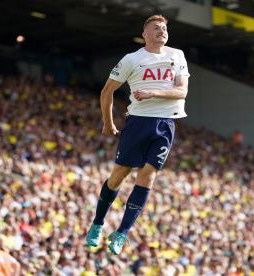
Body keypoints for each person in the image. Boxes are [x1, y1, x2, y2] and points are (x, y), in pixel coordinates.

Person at [85, 14, 190, 255]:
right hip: (139, 123)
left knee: (148, 176)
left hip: (166, 124)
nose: (162, 31)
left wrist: (154, 92)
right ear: (144, 34)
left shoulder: (177, 55)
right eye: (156, 28)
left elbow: (182, 91)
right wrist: (108, 122)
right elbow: (106, 92)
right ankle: (98, 223)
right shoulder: (132, 59)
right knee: (119, 175)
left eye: (164, 28)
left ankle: (121, 232)